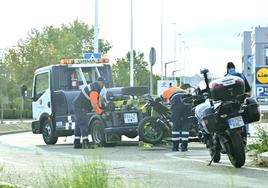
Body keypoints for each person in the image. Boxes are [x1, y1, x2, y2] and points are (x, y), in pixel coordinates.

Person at [72, 77, 105, 149]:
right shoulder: (94, 90)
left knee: (79, 124)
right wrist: (101, 113)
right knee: (83, 123)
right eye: (103, 84)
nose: (103, 86)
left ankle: (77, 143)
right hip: (80, 106)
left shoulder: (95, 88)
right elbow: (94, 105)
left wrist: (102, 107)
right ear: (100, 82)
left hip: (78, 105)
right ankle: (85, 143)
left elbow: (98, 101)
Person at [226, 62, 251, 143]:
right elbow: (248, 89)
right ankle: (244, 137)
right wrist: (246, 94)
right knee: (244, 117)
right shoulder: (241, 76)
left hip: (229, 103)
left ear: (227, 68)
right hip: (240, 101)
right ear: (234, 67)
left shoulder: (225, 77)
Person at [161, 86, 192, 152]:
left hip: (176, 99)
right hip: (188, 98)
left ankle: (175, 147)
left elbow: (162, 100)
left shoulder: (166, 91)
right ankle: (184, 146)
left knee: (176, 123)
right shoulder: (179, 89)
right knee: (186, 123)